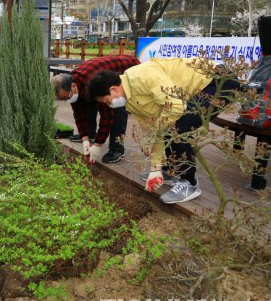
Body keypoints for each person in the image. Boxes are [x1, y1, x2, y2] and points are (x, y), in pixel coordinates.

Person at [87, 57, 239, 204]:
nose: (108, 106)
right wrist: (155, 168)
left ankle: (189, 182)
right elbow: (154, 128)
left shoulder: (142, 77)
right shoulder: (130, 102)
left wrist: (153, 136)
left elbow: (175, 107)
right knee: (167, 124)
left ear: (113, 89)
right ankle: (171, 170)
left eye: (106, 101)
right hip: (195, 91)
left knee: (178, 125)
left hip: (218, 81)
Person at [52, 55, 140, 164]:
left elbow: (107, 115)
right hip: (103, 74)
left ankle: (117, 148)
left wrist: (98, 145)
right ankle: (91, 135)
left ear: (73, 87)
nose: (66, 101)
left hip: (129, 67)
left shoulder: (92, 82)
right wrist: (85, 139)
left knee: (117, 107)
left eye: (66, 98)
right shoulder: (72, 84)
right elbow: (79, 113)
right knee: (88, 104)